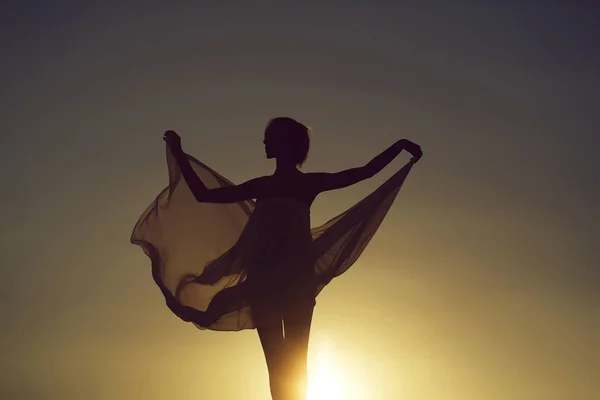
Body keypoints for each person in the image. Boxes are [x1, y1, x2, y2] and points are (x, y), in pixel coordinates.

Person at [131, 117, 422, 400]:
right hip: (263, 278)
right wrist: (179, 153)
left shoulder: (307, 184)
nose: (264, 142)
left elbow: (364, 172)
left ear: (285, 144)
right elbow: (204, 195)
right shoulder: (262, 186)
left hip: (296, 278)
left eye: (270, 138)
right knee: (276, 362)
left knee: (295, 361)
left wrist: (399, 147)